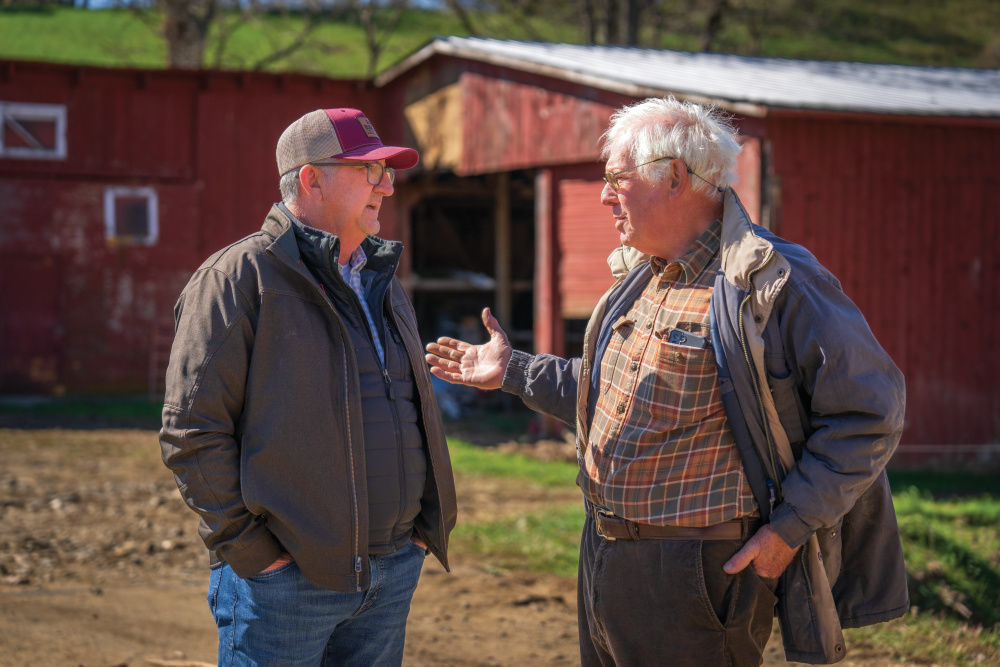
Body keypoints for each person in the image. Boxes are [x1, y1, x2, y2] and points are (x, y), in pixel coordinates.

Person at [425, 97, 908, 666]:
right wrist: (514, 371)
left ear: (675, 177)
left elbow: (869, 413)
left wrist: (789, 529)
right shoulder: (642, 277)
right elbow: (613, 391)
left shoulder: (774, 280)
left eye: (616, 179)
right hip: (604, 555)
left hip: (697, 574)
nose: (604, 196)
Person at [160, 107, 457, 666]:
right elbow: (191, 431)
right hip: (287, 583)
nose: (387, 187)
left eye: (388, 173)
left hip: (391, 570)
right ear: (310, 178)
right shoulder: (237, 278)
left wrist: (419, 533)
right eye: (369, 171)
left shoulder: (381, 281)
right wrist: (257, 556)